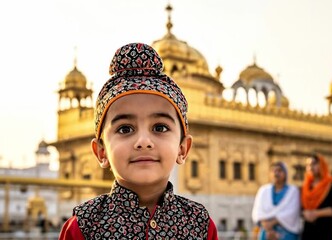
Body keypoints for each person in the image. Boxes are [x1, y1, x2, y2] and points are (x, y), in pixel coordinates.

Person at [59, 42, 218, 239]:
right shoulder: (83, 227)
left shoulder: (199, 224)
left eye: (160, 128)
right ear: (101, 152)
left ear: (182, 148)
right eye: (125, 129)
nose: (143, 141)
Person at [301, 154, 332, 240]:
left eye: (314, 164)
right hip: (309, 231)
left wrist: (315, 214)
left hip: (327, 230)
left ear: (322, 165)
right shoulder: (305, 187)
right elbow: (301, 209)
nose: (310, 167)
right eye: (308, 165)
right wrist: (305, 214)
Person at [252, 162, 302, 240]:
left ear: (285, 173)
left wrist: (272, 223)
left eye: (279, 171)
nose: (276, 173)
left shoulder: (293, 191)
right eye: (273, 171)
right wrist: (268, 229)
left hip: (286, 232)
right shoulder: (263, 190)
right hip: (266, 232)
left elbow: (292, 212)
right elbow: (258, 211)